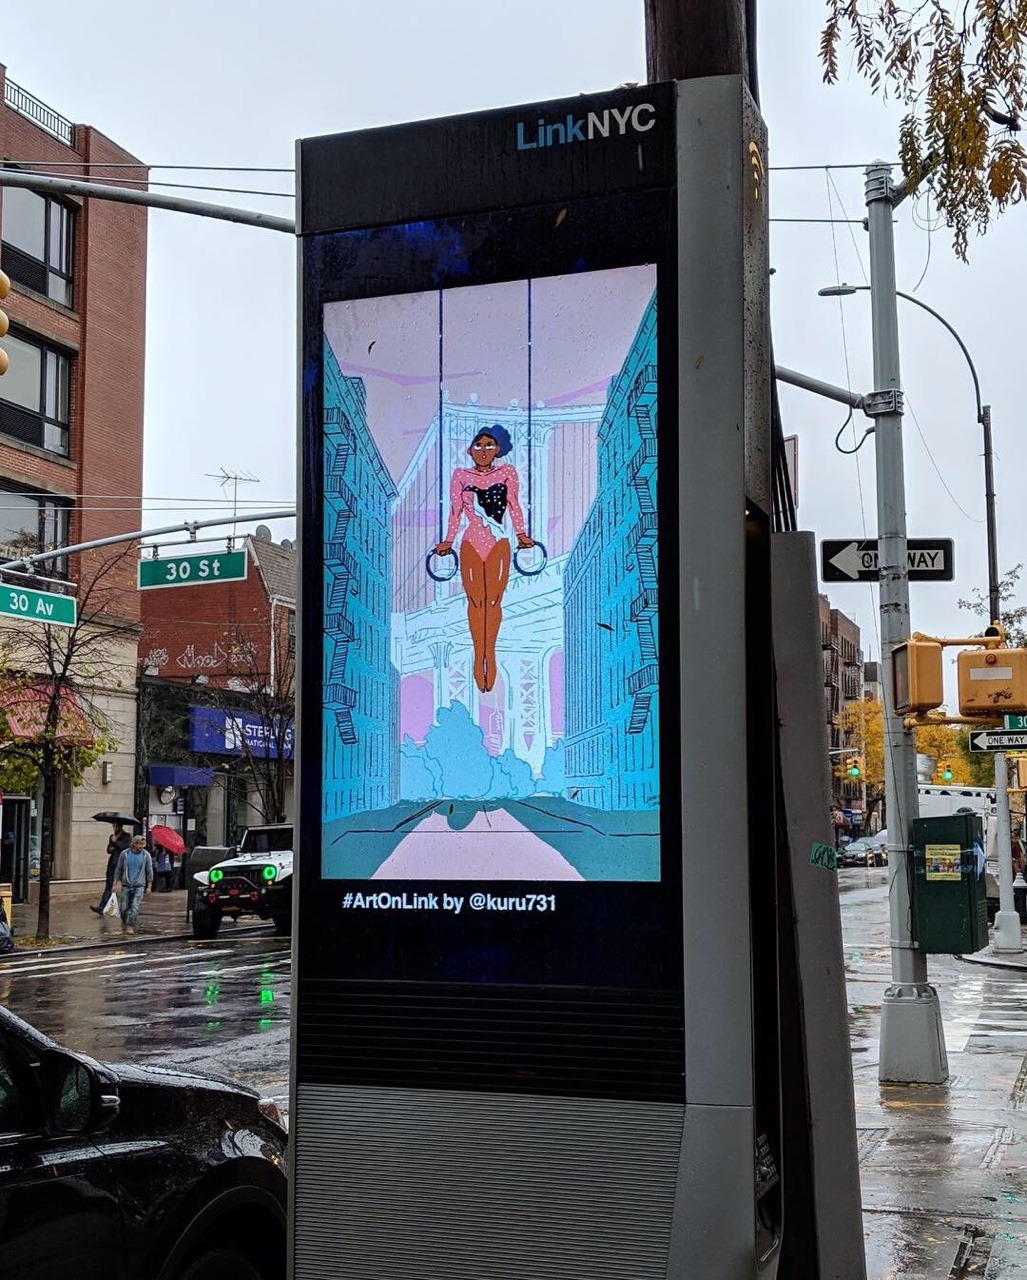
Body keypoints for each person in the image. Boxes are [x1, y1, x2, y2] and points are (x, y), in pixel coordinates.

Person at [434, 425, 536, 693]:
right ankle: (478, 656)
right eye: (478, 445)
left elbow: (514, 504)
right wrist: (447, 541)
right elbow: (456, 512)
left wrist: (522, 535)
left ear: (498, 449)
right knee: (475, 601)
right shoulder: (460, 476)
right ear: (469, 450)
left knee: (493, 601)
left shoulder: (507, 473)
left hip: (499, 543)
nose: (483, 450)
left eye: (489, 445)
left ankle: (489, 654)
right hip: (470, 544)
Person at [112, 834, 153, 935]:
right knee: (124, 907)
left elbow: (149, 871)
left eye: (143, 844)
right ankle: (126, 920)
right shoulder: (124, 854)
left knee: (135, 906)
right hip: (126, 885)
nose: (142, 846)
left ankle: (130, 925)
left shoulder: (146, 855)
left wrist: (149, 886)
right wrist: (115, 883)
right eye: (140, 844)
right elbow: (119, 869)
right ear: (134, 844)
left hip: (139, 885)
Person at [91, 822, 131, 915]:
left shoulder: (127, 836)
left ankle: (127, 907)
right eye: (113, 826)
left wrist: (115, 842)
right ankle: (102, 907)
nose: (114, 828)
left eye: (116, 826)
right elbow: (109, 850)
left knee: (126, 885)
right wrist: (112, 843)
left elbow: (125, 847)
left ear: (120, 827)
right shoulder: (112, 836)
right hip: (113, 863)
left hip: (123, 864)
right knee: (109, 885)